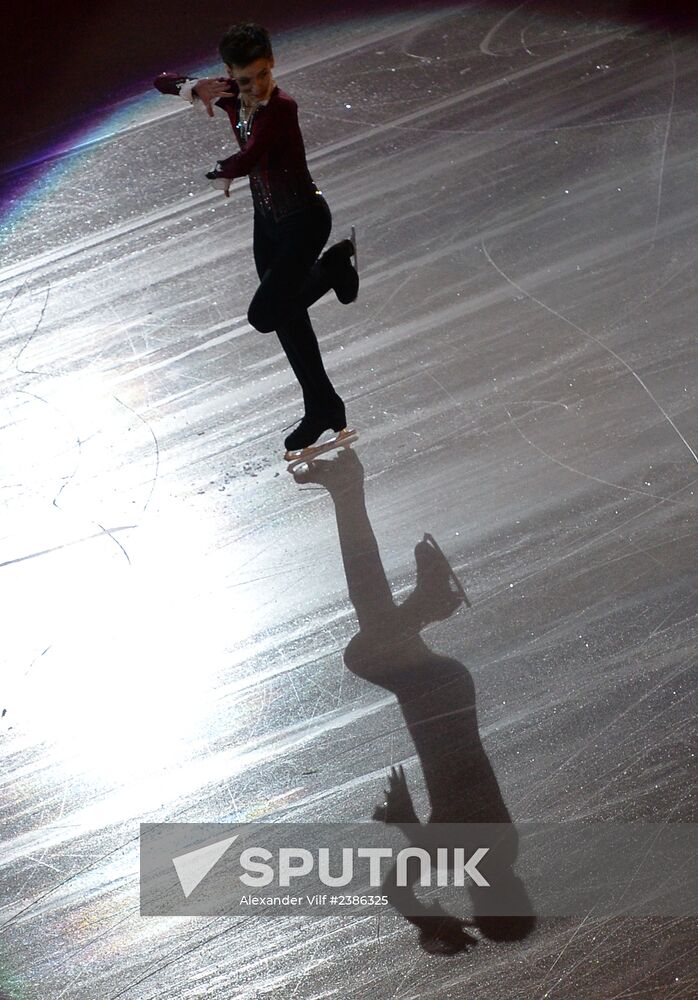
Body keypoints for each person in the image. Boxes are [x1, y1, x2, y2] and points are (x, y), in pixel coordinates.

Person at [154, 22, 358, 454]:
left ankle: (334, 265)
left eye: (263, 74)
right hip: (267, 225)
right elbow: (160, 81)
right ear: (230, 72)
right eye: (245, 80)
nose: (256, 86)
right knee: (288, 320)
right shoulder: (232, 96)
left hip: (305, 221)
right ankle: (323, 408)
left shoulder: (282, 108)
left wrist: (222, 169)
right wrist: (195, 86)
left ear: (272, 64)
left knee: (264, 314)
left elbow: (253, 155)